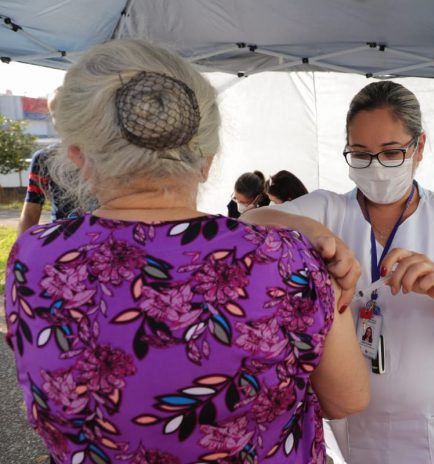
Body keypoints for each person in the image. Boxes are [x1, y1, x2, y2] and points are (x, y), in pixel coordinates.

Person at [4, 39, 368, 464]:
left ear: (79, 158)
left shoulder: (35, 259)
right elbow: (348, 398)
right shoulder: (286, 260)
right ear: (208, 160)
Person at [243, 81, 434, 463]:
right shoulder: (328, 210)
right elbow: (247, 224)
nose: (376, 168)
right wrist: (312, 230)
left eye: (391, 153)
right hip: (352, 438)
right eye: (360, 154)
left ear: (419, 147)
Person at [18, 89, 83, 234]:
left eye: (72, 111)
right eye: (57, 115)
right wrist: (20, 250)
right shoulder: (44, 159)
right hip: (61, 244)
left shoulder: (107, 155)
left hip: (104, 244)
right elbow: (30, 213)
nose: (66, 119)